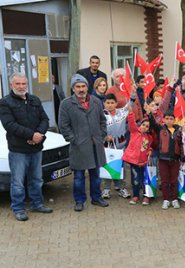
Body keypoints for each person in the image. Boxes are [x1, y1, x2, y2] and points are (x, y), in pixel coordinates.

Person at [0, 73, 53, 221]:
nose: (21, 86)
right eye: (18, 84)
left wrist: (39, 135)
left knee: (36, 179)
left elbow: (45, 119)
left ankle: (37, 204)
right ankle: (18, 208)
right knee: (17, 182)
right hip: (18, 150)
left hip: (36, 148)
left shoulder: (34, 99)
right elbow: (9, 125)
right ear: (11, 85)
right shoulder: (5, 102)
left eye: (24, 83)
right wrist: (32, 135)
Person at [58, 74, 109, 211]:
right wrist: (73, 139)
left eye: (83, 86)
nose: (81, 89)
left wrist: (101, 136)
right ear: (73, 88)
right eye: (78, 86)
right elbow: (63, 126)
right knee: (79, 177)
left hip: (95, 145)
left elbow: (102, 121)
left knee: (96, 176)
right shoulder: (66, 104)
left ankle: (96, 198)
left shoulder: (96, 101)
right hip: (78, 146)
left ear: (87, 87)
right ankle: (79, 200)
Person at [148, 110, 183, 210]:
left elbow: (181, 144)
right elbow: (153, 124)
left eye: (171, 119)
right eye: (167, 119)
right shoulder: (160, 129)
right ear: (163, 120)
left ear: (174, 120)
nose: (169, 121)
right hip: (163, 159)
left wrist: (182, 157)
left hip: (175, 159)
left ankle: (174, 199)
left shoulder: (179, 130)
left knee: (173, 180)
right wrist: (150, 114)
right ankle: (166, 199)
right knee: (164, 180)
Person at [101, 93, 131, 200]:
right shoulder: (101, 114)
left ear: (116, 103)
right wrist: (104, 136)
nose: (110, 105)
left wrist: (132, 93)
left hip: (120, 146)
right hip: (106, 147)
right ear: (104, 103)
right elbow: (96, 128)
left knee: (120, 167)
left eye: (112, 103)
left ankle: (121, 188)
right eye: (107, 103)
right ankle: (106, 189)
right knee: (108, 166)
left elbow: (130, 103)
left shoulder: (121, 112)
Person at [122, 110, 154, 206]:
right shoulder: (134, 132)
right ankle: (135, 196)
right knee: (135, 179)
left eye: (147, 126)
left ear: (149, 129)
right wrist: (131, 112)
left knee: (144, 179)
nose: (144, 127)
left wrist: (150, 151)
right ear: (140, 125)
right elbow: (131, 122)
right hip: (134, 162)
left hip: (143, 162)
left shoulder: (149, 138)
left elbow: (149, 147)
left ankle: (146, 196)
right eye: (143, 124)